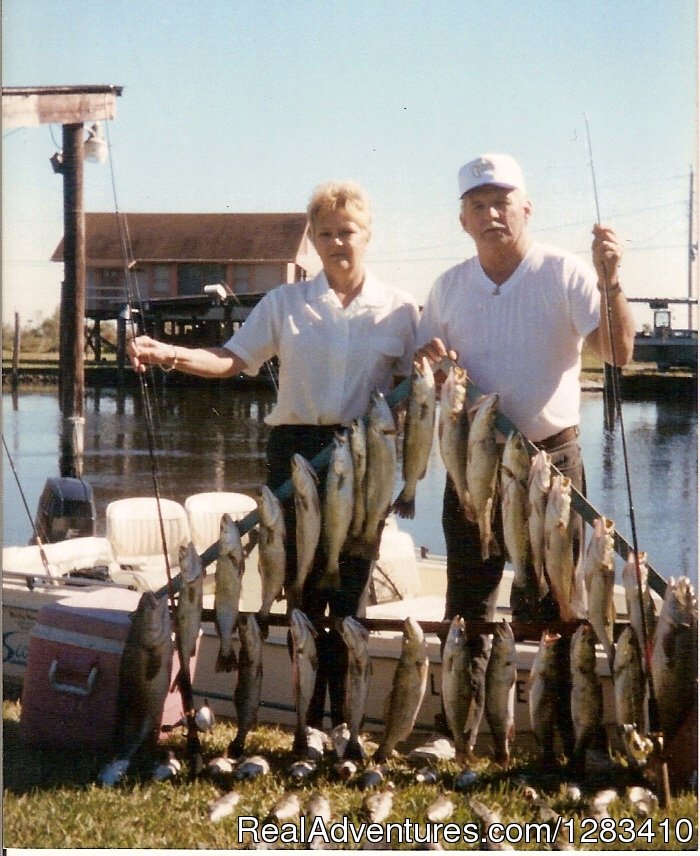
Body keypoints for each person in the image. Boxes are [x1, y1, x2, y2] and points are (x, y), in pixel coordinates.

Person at [128, 180, 419, 735]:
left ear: (369, 234)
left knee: (351, 591)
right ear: (312, 239)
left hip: (365, 457)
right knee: (303, 594)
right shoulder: (285, 302)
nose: (338, 243)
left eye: (348, 232)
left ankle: (346, 728)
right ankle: (307, 726)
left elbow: (416, 392)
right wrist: (169, 354)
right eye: (326, 233)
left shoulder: (401, 309)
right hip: (297, 452)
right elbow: (231, 359)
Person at [416, 153, 635, 759]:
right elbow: (426, 364)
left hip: (551, 464)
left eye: (502, 202)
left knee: (556, 607)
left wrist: (611, 278)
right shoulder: (448, 286)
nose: (491, 214)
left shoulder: (565, 272)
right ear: (462, 219)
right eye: (477, 205)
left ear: (526, 208)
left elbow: (618, 353)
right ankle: (458, 732)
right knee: (468, 600)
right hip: (473, 463)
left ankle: (561, 737)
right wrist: (432, 365)